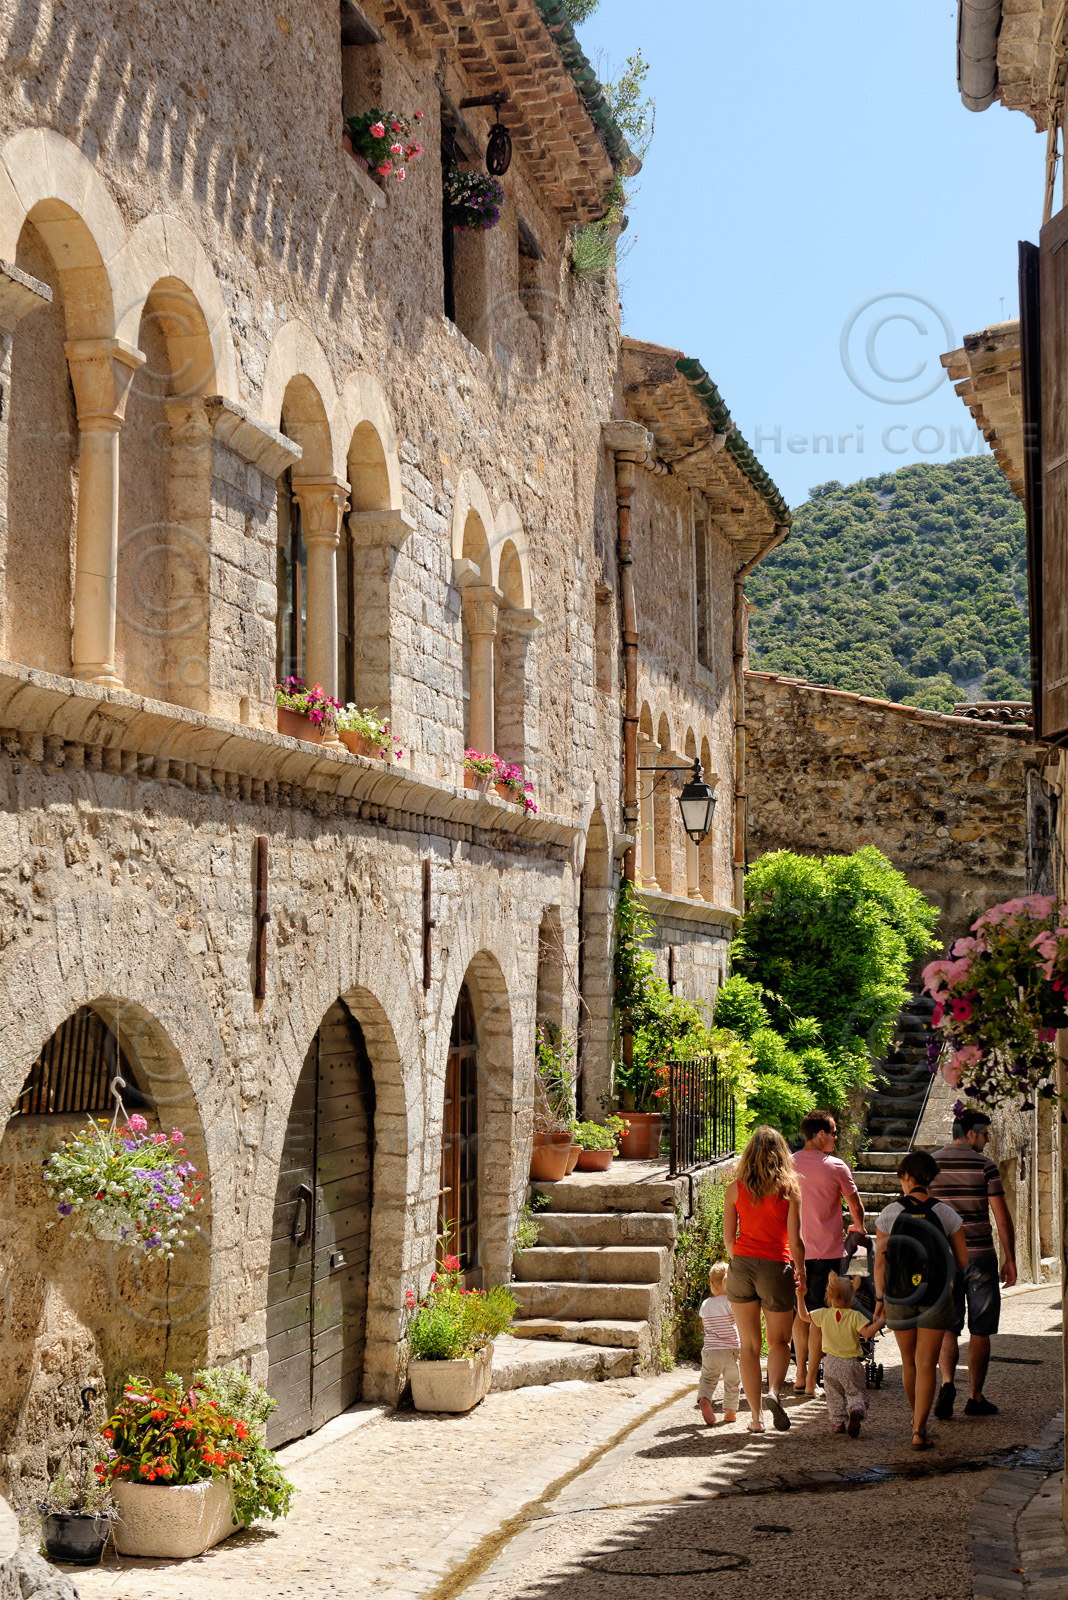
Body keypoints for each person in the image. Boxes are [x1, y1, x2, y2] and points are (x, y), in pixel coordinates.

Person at [873, 1149, 968, 1450]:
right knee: (927, 1364)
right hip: (936, 1296)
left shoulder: (889, 1214)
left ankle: (916, 1419)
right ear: (930, 1179)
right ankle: (919, 1430)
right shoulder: (947, 1214)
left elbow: (879, 1263)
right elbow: (963, 1262)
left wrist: (879, 1298)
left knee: (908, 1362)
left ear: (906, 1177)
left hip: (899, 1295)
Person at [929, 1109, 1017, 1420]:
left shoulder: (932, 1164)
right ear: (970, 1134)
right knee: (981, 1330)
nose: (989, 1138)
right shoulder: (986, 1166)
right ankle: (975, 1396)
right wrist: (1010, 1258)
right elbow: (1001, 1217)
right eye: (985, 1133)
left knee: (948, 1327)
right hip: (979, 1254)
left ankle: (948, 1383)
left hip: (944, 1256)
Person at [724, 1124, 808, 1433]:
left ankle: (756, 1418)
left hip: (742, 1266)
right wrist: (801, 1271)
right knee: (779, 1341)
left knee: (748, 1346)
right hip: (776, 1267)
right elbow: (796, 1241)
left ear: (749, 1154)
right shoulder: (789, 1189)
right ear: (781, 1153)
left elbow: (729, 1240)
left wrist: (742, 1263)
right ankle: (774, 1392)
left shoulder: (735, 1188)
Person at [792, 1109, 867, 1395]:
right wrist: (857, 1227)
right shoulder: (836, 1167)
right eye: (833, 1132)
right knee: (819, 1316)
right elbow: (855, 1205)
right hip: (827, 1252)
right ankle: (811, 1382)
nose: (835, 1137)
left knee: (800, 1314)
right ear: (820, 1134)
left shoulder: (788, 1163)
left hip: (795, 1251)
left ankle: (799, 1374)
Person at [808, 1271, 884, 1437]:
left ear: (828, 1296)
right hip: (850, 1364)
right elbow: (868, 1333)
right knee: (856, 1392)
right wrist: (881, 1321)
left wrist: (800, 1297)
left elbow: (803, 1316)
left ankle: (838, 1423)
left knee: (834, 1395)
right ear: (852, 1298)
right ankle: (855, 1410)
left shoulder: (823, 1314)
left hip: (829, 1365)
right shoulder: (855, 1316)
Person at [696, 1261, 740, 1427]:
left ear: (711, 1284)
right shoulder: (730, 1302)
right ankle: (729, 1411)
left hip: (710, 1350)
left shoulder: (706, 1304)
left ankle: (705, 1398)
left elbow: (705, 1325)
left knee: (707, 1379)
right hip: (731, 1350)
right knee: (732, 1382)